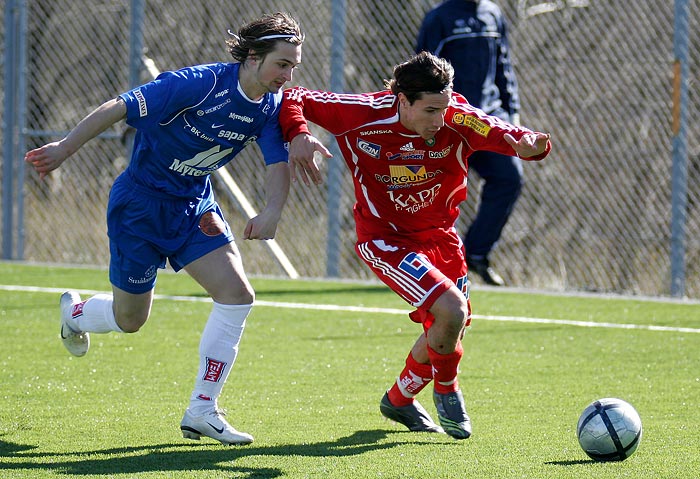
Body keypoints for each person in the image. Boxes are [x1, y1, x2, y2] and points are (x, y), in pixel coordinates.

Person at [24, 12, 305, 446]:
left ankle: (202, 410)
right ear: (252, 57)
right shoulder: (201, 83)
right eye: (282, 64)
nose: (288, 76)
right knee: (130, 319)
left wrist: (272, 211)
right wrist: (65, 147)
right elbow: (120, 106)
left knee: (237, 295)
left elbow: (277, 163)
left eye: (293, 67)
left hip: (194, 206)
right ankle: (76, 314)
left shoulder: (269, 107)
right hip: (139, 206)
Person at [279, 51, 550, 439]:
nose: (440, 119)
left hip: (441, 238)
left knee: (450, 326)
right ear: (402, 100)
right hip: (385, 240)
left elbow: (500, 131)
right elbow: (295, 97)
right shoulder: (363, 113)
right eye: (429, 110)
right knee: (451, 310)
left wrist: (529, 144)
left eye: (444, 107)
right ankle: (447, 391)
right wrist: (299, 134)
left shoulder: (456, 116)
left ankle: (399, 400)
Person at [416, 0, 522, 286]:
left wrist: (511, 114)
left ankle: (475, 253)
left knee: (509, 179)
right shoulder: (439, 18)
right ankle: (428, 261)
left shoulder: (493, 14)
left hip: (488, 120)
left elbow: (504, 67)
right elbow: (421, 74)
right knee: (435, 193)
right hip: (449, 123)